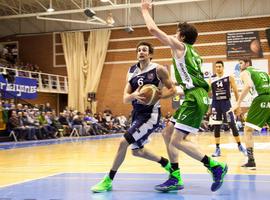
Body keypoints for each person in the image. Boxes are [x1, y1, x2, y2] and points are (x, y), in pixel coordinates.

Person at [141, 0, 228, 192]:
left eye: (175, 32)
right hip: (195, 95)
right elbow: (190, 83)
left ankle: (215, 166)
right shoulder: (195, 54)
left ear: (181, 36)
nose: (173, 35)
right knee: (167, 133)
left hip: (195, 98)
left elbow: (152, 30)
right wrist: (164, 94)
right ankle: (175, 176)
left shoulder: (179, 47)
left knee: (177, 141)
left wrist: (144, 10)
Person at [91, 41, 176, 192]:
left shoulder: (158, 70)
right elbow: (125, 98)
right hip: (136, 114)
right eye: (139, 50)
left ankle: (108, 180)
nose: (141, 52)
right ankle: (165, 163)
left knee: (123, 142)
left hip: (150, 115)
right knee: (137, 151)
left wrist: (158, 96)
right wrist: (134, 95)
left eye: (144, 50)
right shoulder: (131, 71)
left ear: (150, 54)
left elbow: (172, 90)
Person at [231, 57, 270, 169]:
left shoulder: (245, 72)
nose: (239, 66)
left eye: (241, 63)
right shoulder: (263, 72)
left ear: (247, 63)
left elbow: (248, 85)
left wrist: (238, 102)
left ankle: (251, 161)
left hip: (261, 99)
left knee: (247, 130)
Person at [209, 61, 246, 157]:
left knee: (232, 124)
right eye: (216, 66)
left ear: (223, 67)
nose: (218, 68)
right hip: (215, 103)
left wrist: (238, 106)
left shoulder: (229, 77)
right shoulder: (211, 78)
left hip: (226, 103)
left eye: (219, 66)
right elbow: (209, 92)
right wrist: (209, 107)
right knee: (216, 126)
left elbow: (236, 91)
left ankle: (240, 146)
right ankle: (217, 149)